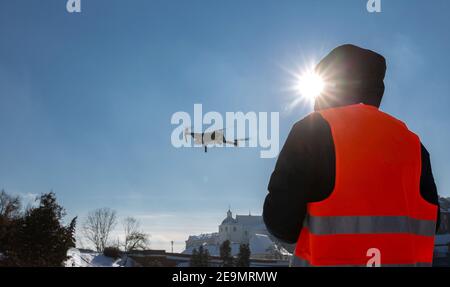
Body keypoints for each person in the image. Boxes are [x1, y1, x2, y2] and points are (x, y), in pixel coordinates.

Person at [263, 44, 440, 267]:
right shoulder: (414, 145)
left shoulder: (312, 131)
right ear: (376, 89)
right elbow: (432, 224)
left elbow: (281, 224)